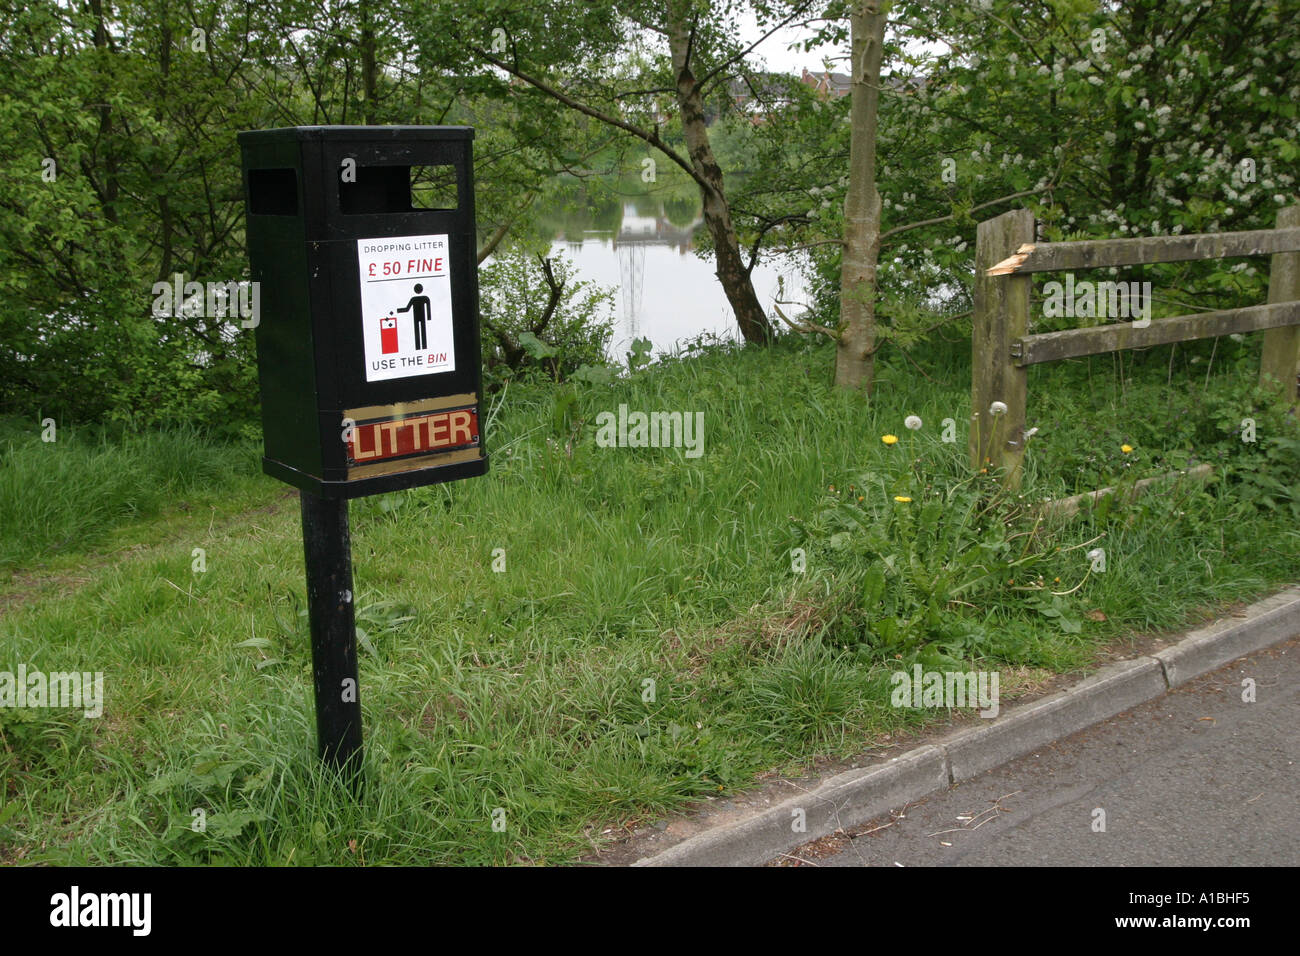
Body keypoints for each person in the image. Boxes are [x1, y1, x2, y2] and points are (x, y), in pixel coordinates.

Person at [396, 284, 432, 350]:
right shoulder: (423, 298)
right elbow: (407, 309)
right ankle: (421, 347)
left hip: (418, 318)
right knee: (419, 332)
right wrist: (428, 317)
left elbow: (407, 309)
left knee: (419, 331)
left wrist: (429, 317)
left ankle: (422, 347)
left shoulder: (417, 299)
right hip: (419, 318)